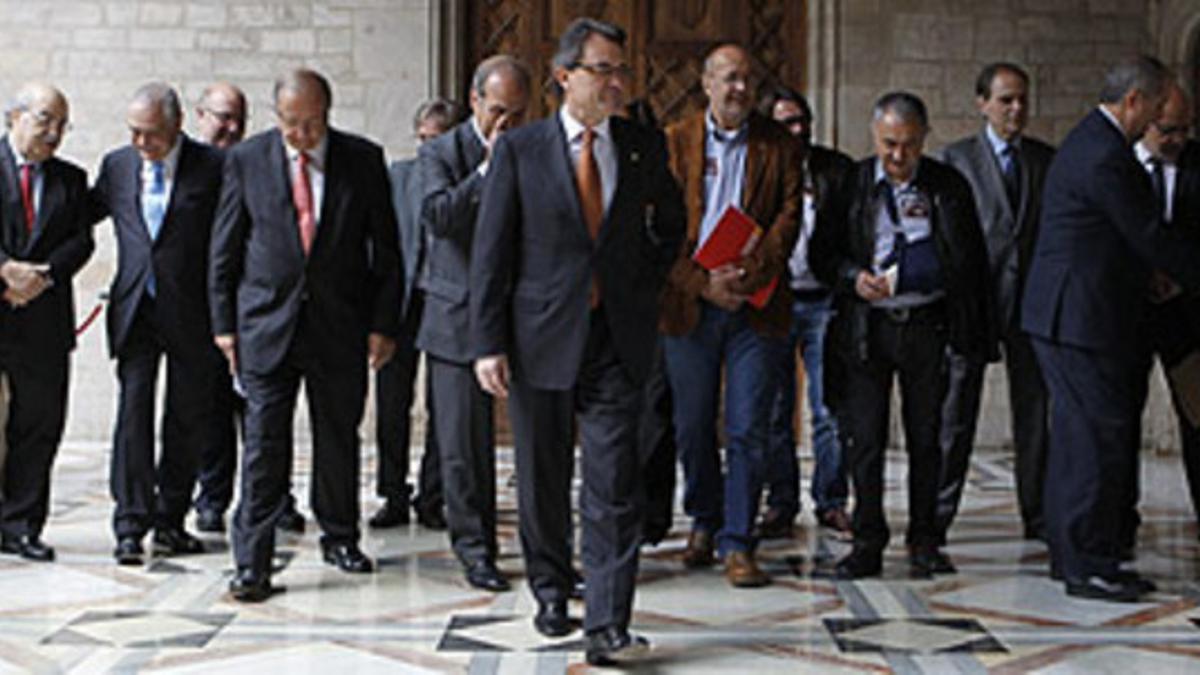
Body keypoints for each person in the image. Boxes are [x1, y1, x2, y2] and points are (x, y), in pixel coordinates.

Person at [470, 17, 685, 665]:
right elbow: (492, 252)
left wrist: (640, 283)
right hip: (539, 337)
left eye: (622, 71)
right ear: (565, 76)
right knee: (541, 475)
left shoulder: (643, 145)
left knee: (614, 479)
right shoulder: (520, 149)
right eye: (604, 70)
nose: (618, 82)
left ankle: (608, 620)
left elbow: (671, 223)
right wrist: (488, 342)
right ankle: (550, 588)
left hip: (616, 337)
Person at [210, 69, 402, 602]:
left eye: (311, 123)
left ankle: (340, 536)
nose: (301, 133)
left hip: (339, 326)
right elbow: (225, 248)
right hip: (265, 327)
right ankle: (252, 561)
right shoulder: (247, 161)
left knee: (338, 438)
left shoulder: (362, 160)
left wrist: (384, 325)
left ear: (327, 112)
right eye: (291, 124)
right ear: (277, 117)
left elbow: (386, 253)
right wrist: (223, 325)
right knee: (264, 446)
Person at [1022, 55, 1200, 602]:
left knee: (1092, 436)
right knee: (1090, 440)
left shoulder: (1095, 143)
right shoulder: (1104, 155)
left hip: (1080, 314)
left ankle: (1084, 556)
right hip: (1077, 319)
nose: (1153, 122)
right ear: (1133, 101)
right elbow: (1146, 233)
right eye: (1153, 109)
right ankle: (1084, 564)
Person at [809, 91, 994, 580]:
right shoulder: (850, 183)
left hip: (926, 326)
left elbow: (972, 259)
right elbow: (821, 254)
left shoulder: (947, 186)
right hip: (866, 329)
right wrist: (853, 278)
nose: (898, 156)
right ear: (875, 137)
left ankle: (925, 539)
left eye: (908, 146)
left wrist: (939, 274)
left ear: (923, 140)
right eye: (889, 144)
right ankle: (868, 540)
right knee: (865, 439)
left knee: (927, 437)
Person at [660, 44, 801, 587]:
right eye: (728, 79)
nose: (739, 89)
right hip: (691, 305)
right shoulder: (675, 142)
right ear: (706, 84)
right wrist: (702, 283)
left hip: (754, 307)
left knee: (748, 427)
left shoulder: (778, 145)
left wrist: (751, 273)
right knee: (693, 424)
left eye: (747, 78)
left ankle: (739, 541)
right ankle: (703, 520)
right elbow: (659, 227)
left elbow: (790, 216)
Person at [89, 82, 225, 565]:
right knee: (133, 415)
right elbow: (82, 216)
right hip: (135, 312)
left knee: (186, 419)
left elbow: (228, 239)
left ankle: (170, 520)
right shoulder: (118, 166)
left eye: (151, 134)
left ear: (177, 126)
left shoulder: (212, 167)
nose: (141, 143)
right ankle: (129, 524)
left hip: (191, 314)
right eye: (134, 132)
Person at [418, 57, 530, 591]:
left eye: (518, 114)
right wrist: (490, 169)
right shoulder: (440, 152)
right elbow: (439, 217)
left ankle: (542, 546)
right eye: (498, 111)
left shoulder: (532, 152)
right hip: (454, 315)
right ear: (474, 100)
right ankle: (475, 550)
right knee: (462, 447)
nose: (506, 123)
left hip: (519, 314)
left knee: (533, 443)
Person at [937, 63, 1054, 543]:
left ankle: (1039, 515)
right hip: (974, 305)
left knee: (1036, 415)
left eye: (1023, 99)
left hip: (1030, 305)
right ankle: (938, 516)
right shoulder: (956, 159)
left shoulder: (1046, 160)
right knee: (955, 412)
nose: (1017, 109)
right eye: (1006, 100)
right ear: (982, 103)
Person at [0, 83, 93, 562]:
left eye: (61, 123)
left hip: (44, 322)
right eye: (43, 119)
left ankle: (20, 526)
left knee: (38, 426)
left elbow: (82, 242)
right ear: (14, 116)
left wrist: (45, 275)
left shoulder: (71, 180)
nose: (54, 132)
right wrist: (4, 270)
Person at [760, 85, 853, 540]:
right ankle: (781, 502)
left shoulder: (836, 170)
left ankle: (831, 500)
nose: (796, 131)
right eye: (785, 123)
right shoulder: (758, 170)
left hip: (824, 300)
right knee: (775, 409)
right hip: (774, 300)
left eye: (801, 122)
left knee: (828, 408)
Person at [369, 97, 463, 531]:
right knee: (392, 403)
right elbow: (382, 246)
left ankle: (434, 495)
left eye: (437, 139)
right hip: (400, 305)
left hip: (445, 303)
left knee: (443, 407)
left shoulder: (466, 179)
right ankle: (392, 493)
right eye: (422, 139)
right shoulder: (398, 176)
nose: (427, 149)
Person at [1134, 83, 1200, 537]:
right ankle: (1118, 521)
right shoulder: (1115, 166)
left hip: (1189, 316)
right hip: (1129, 315)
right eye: (1166, 129)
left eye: (1184, 130)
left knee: (1197, 420)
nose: (1175, 139)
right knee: (1118, 422)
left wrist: (1180, 277)